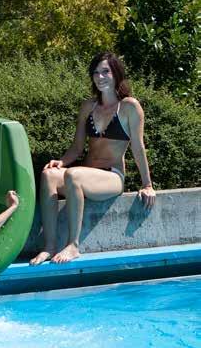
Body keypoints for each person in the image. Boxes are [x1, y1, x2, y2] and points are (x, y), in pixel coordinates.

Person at [30, 52, 156, 266]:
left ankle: (73, 245)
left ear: (116, 73)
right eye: (96, 73)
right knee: (49, 174)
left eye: (105, 71)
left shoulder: (129, 107)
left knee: (73, 175)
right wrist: (61, 162)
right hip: (83, 175)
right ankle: (49, 246)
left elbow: (138, 146)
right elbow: (77, 147)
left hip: (111, 177)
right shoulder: (88, 106)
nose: (100, 77)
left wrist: (147, 184)